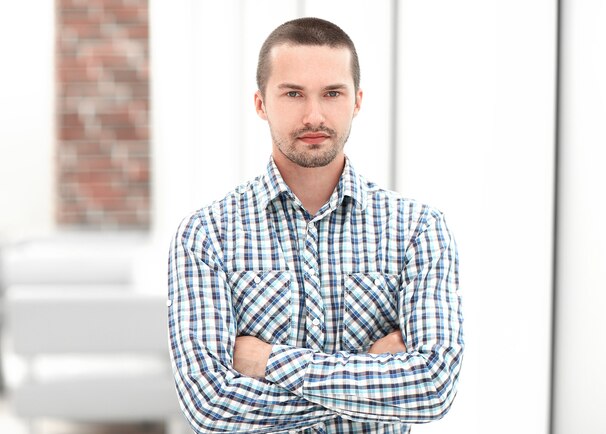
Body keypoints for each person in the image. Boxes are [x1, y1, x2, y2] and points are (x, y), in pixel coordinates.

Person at [168, 17, 464, 434]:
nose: (314, 115)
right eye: (293, 94)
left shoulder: (417, 230)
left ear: (356, 101)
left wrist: (268, 361)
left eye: (332, 93)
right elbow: (212, 406)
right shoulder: (206, 235)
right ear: (260, 103)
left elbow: (432, 388)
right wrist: (375, 379)